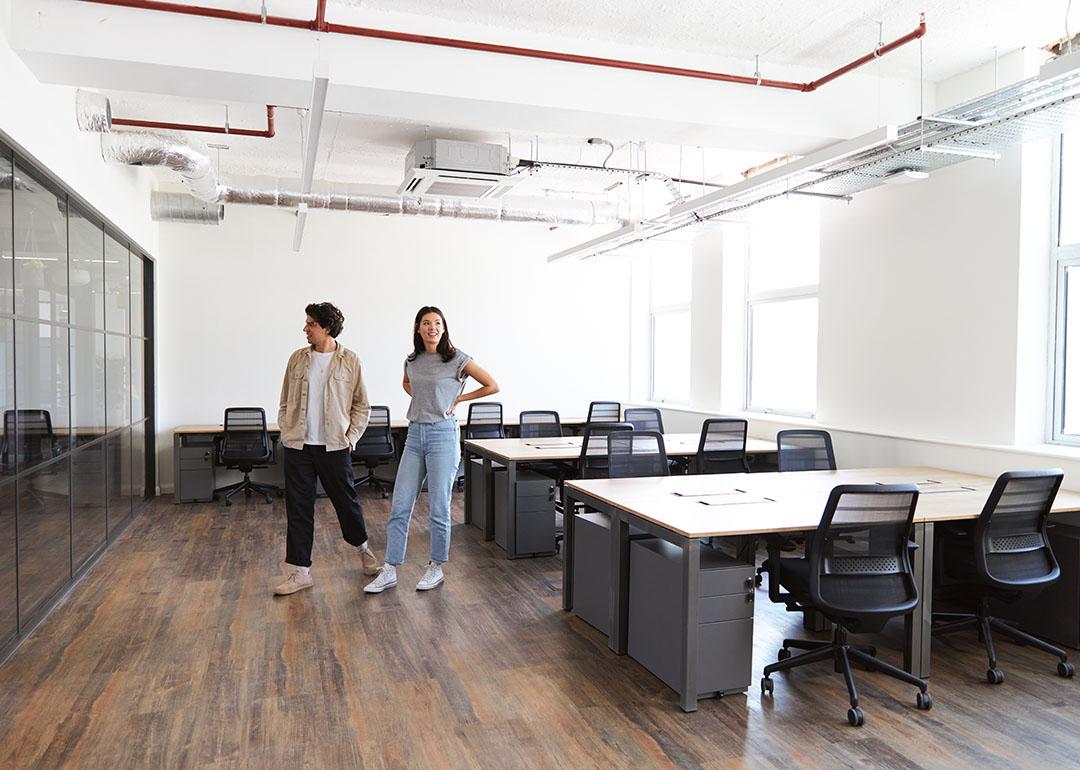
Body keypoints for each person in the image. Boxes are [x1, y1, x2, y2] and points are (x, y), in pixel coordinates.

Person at [364, 306, 498, 593]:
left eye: (437, 323)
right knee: (400, 505)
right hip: (414, 434)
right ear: (418, 328)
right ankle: (390, 568)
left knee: (438, 506)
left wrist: (459, 399)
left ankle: (436, 566)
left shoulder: (457, 359)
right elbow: (406, 383)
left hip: (443, 435)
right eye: (426, 323)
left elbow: (491, 385)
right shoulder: (412, 360)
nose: (432, 327)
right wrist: (426, 397)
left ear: (444, 327)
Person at [272, 302, 380, 596]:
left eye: (310, 324)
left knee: (347, 503)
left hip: (334, 446)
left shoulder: (350, 360)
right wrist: (286, 426)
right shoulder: (297, 359)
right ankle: (300, 572)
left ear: (327, 328)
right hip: (299, 446)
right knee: (298, 508)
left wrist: (352, 436)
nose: (305, 329)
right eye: (306, 324)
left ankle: (364, 550)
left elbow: (362, 405)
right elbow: (284, 400)